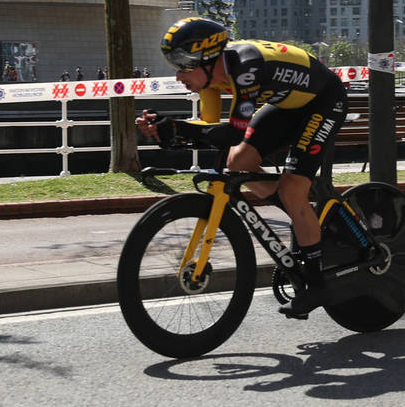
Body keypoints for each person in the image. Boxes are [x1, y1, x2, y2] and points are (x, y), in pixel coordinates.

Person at [136, 17, 348, 318]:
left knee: (291, 190)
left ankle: (317, 284)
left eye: (183, 64)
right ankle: (305, 218)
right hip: (286, 105)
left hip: (324, 102)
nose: (178, 74)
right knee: (238, 161)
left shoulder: (246, 68)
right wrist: (168, 130)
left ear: (207, 58)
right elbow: (209, 128)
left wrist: (182, 129)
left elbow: (232, 133)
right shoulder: (211, 79)